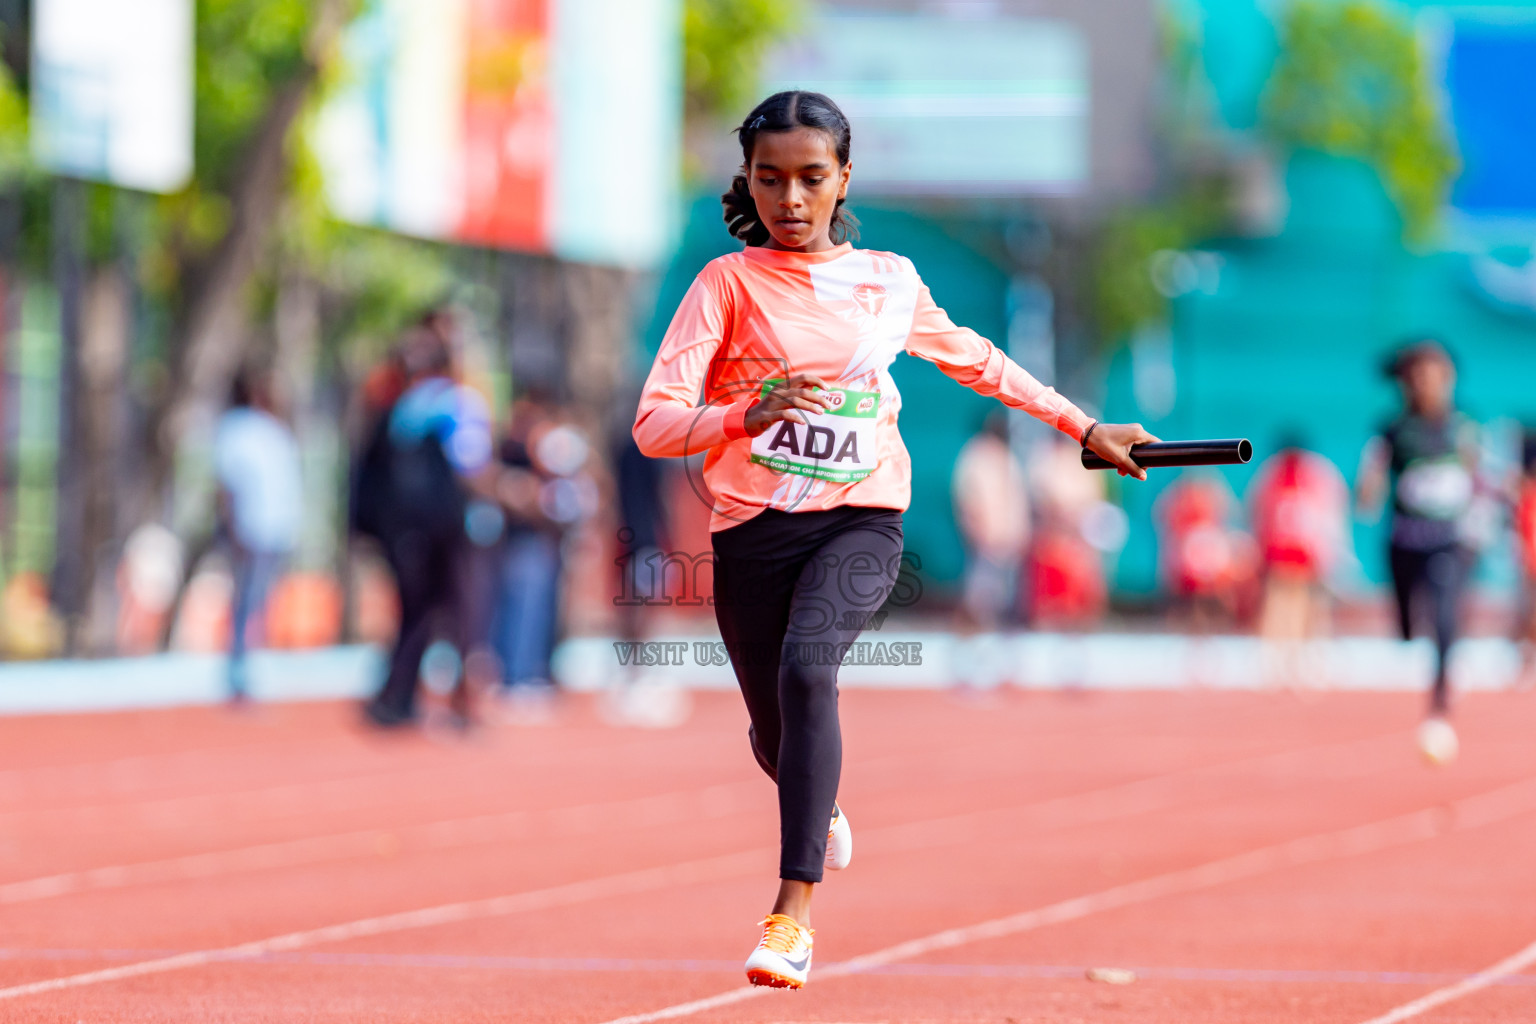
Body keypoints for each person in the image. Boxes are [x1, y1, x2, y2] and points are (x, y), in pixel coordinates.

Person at [631, 90, 1156, 990]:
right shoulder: (724, 286)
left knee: (809, 672)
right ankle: (817, 803)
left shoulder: (891, 280)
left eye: (809, 178)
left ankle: (790, 916)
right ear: (748, 182)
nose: (789, 199)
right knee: (772, 733)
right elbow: (653, 426)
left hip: (861, 519)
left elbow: (980, 361)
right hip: (752, 532)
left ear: (842, 179)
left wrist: (1082, 425)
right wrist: (738, 414)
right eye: (769, 179)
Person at [357, 319, 495, 728]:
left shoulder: (407, 405)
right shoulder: (458, 401)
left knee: (415, 612)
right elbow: (471, 466)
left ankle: (396, 697)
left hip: (406, 527)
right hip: (453, 524)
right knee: (464, 611)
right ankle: (463, 703)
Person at [1356, 339, 1479, 762]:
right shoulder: (1392, 430)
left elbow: (1476, 472)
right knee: (1408, 626)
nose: (1430, 384)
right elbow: (1371, 476)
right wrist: (1368, 491)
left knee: (1445, 619)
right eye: (1421, 375)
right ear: (1407, 383)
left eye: (1438, 375)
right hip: (1404, 541)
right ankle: (1409, 627)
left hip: (1449, 541)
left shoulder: (1462, 428)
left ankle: (1440, 706)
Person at [213, 370, 303, 703]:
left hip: (275, 528)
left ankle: (251, 668)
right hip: (250, 529)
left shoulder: (273, 430)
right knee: (246, 600)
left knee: (261, 600)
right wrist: (234, 525)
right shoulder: (237, 429)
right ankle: (238, 672)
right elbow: (227, 484)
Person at [1247, 437, 1349, 689]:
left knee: (1295, 608)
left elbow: (1256, 511)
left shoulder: (1275, 475)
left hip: (1295, 552)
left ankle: (1290, 662)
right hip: (1295, 552)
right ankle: (1285, 662)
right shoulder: (1313, 474)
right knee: (1291, 608)